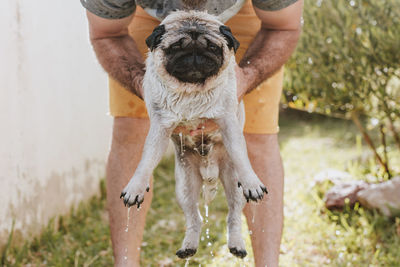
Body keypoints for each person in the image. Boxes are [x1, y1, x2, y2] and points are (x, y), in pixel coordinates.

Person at [81, 0, 303, 266]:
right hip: (152, 23)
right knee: (132, 129)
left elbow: (283, 27)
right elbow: (108, 33)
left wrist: (245, 79)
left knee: (256, 134)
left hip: (243, 18)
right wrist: (145, 87)